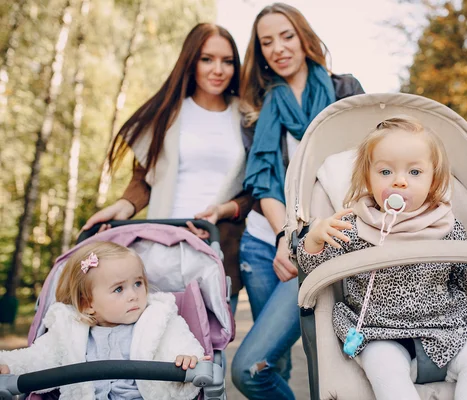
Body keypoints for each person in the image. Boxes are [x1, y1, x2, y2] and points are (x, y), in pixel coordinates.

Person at [297, 117, 467, 400]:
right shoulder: (353, 226)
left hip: (448, 327)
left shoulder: (447, 226)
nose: (400, 181)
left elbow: (462, 277)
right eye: (386, 171)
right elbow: (315, 269)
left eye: (414, 172)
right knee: (384, 365)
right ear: (368, 178)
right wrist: (315, 240)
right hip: (380, 331)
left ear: (433, 180)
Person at [231, 3, 364, 399]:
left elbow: (366, 167)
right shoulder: (256, 107)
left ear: (304, 38)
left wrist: (301, 237)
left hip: (326, 242)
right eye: (266, 41)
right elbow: (263, 183)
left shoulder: (344, 90)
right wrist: (283, 235)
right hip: (263, 243)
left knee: (311, 359)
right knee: (273, 364)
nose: (278, 48)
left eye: (286, 36)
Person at [82, 23, 250, 314]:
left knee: (211, 351)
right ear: (191, 61)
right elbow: (144, 177)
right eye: (207, 59)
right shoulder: (167, 113)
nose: (218, 69)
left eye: (227, 61)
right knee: (158, 350)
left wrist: (224, 210)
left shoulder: (248, 116)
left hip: (217, 249)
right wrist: (124, 206)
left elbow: (256, 188)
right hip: (161, 248)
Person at [0, 241, 208, 400]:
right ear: (87, 304)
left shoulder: (158, 320)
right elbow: (38, 358)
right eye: (119, 289)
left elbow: (180, 344)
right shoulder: (69, 330)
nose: (133, 295)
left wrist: (189, 359)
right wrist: (9, 365)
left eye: (138, 283)